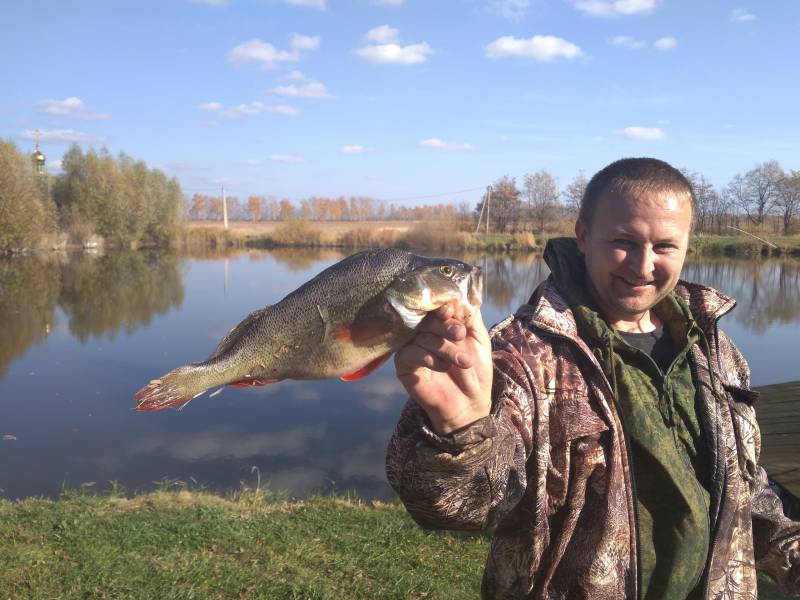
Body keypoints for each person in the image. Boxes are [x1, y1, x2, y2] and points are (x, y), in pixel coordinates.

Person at [386, 157, 800, 599]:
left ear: (687, 246)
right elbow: (459, 506)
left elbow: (746, 487)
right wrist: (460, 431)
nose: (643, 266)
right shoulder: (519, 355)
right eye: (623, 241)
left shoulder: (713, 349)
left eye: (665, 246)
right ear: (583, 235)